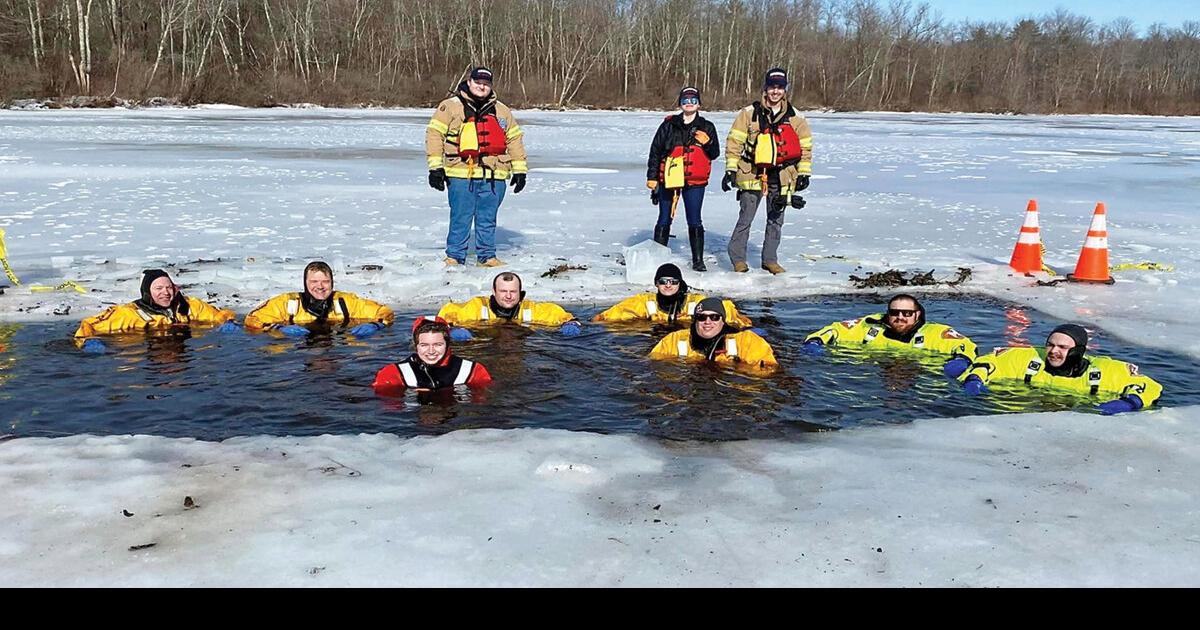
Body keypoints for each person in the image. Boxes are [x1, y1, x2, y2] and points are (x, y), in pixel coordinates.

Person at [426, 66, 529, 267]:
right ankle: (454, 257)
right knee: (460, 217)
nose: (482, 87)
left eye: (486, 83)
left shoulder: (502, 111)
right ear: (470, 82)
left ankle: (487, 257)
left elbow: (514, 139)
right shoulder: (450, 107)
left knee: (488, 218)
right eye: (478, 82)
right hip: (461, 172)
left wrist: (520, 170)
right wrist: (435, 168)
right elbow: (434, 135)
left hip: (494, 175)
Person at [722, 68, 813, 275]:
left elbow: (806, 147)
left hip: (782, 175)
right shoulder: (748, 113)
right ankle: (738, 258)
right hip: (751, 172)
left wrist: (804, 173)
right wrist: (730, 169)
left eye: (779, 88)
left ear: (785, 90)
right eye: (772, 87)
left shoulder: (796, 117)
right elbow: (734, 142)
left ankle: (770, 260)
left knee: (776, 220)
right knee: (746, 218)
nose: (775, 92)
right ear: (765, 88)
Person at [961, 324, 1162, 415]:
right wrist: (974, 380)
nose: (1053, 351)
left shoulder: (1106, 371)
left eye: (1063, 348)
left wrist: (1130, 403)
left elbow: (1148, 385)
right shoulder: (1029, 359)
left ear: (1078, 351)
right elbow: (988, 362)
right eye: (1050, 345)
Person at [801, 294, 978, 377]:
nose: (900, 317)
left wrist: (962, 360)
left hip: (919, 382)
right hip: (877, 374)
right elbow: (835, 329)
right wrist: (815, 342)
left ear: (917, 315)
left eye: (907, 313)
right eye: (895, 313)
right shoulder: (870, 327)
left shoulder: (935, 333)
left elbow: (966, 345)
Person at [646, 87, 721, 272]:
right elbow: (655, 151)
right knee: (664, 219)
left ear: (699, 104)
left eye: (693, 100)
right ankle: (658, 258)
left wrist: (708, 142)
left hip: (695, 182)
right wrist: (652, 177)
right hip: (669, 179)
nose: (689, 103)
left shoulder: (707, 127)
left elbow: (715, 153)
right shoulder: (669, 125)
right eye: (686, 100)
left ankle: (698, 260)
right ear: (680, 103)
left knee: (694, 219)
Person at [74, 269, 236, 353]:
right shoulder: (127, 314)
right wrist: (88, 340)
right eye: (158, 288)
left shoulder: (188, 306)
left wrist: (228, 322)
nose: (165, 293)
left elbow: (218, 314)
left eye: (168, 287)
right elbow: (89, 324)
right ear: (147, 292)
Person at [244, 261, 394, 338]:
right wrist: (277, 329)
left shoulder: (345, 302)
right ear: (305, 283)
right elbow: (252, 319)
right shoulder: (287, 303)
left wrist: (376, 325)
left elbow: (384, 312)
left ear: (332, 282)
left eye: (325, 282)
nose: (320, 287)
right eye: (314, 282)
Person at [593, 263, 752, 327]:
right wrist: (592, 324)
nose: (668, 285)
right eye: (663, 281)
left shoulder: (696, 302)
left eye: (673, 281)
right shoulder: (645, 302)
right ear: (656, 284)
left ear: (680, 283)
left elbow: (724, 309)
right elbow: (617, 312)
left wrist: (746, 325)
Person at [649, 297, 777, 372]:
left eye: (714, 317)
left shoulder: (747, 341)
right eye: (702, 317)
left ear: (723, 321)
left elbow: (767, 372)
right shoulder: (674, 340)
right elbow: (653, 366)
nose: (707, 322)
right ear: (694, 321)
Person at [437, 272, 581, 337]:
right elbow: (448, 314)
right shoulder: (477, 307)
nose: (508, 296)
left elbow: (557, 314)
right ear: (493, 291)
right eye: (503, 291)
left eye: (513, 291)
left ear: (520, 293)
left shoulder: (530, 309)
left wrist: (570, 324)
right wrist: (450, 330)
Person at [372, 316, 492, 394]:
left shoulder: (473, 371)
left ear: (447, 344)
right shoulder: (393, 373)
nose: (431, 351)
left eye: (437, 344)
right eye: (424, 345)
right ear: (416, 345)